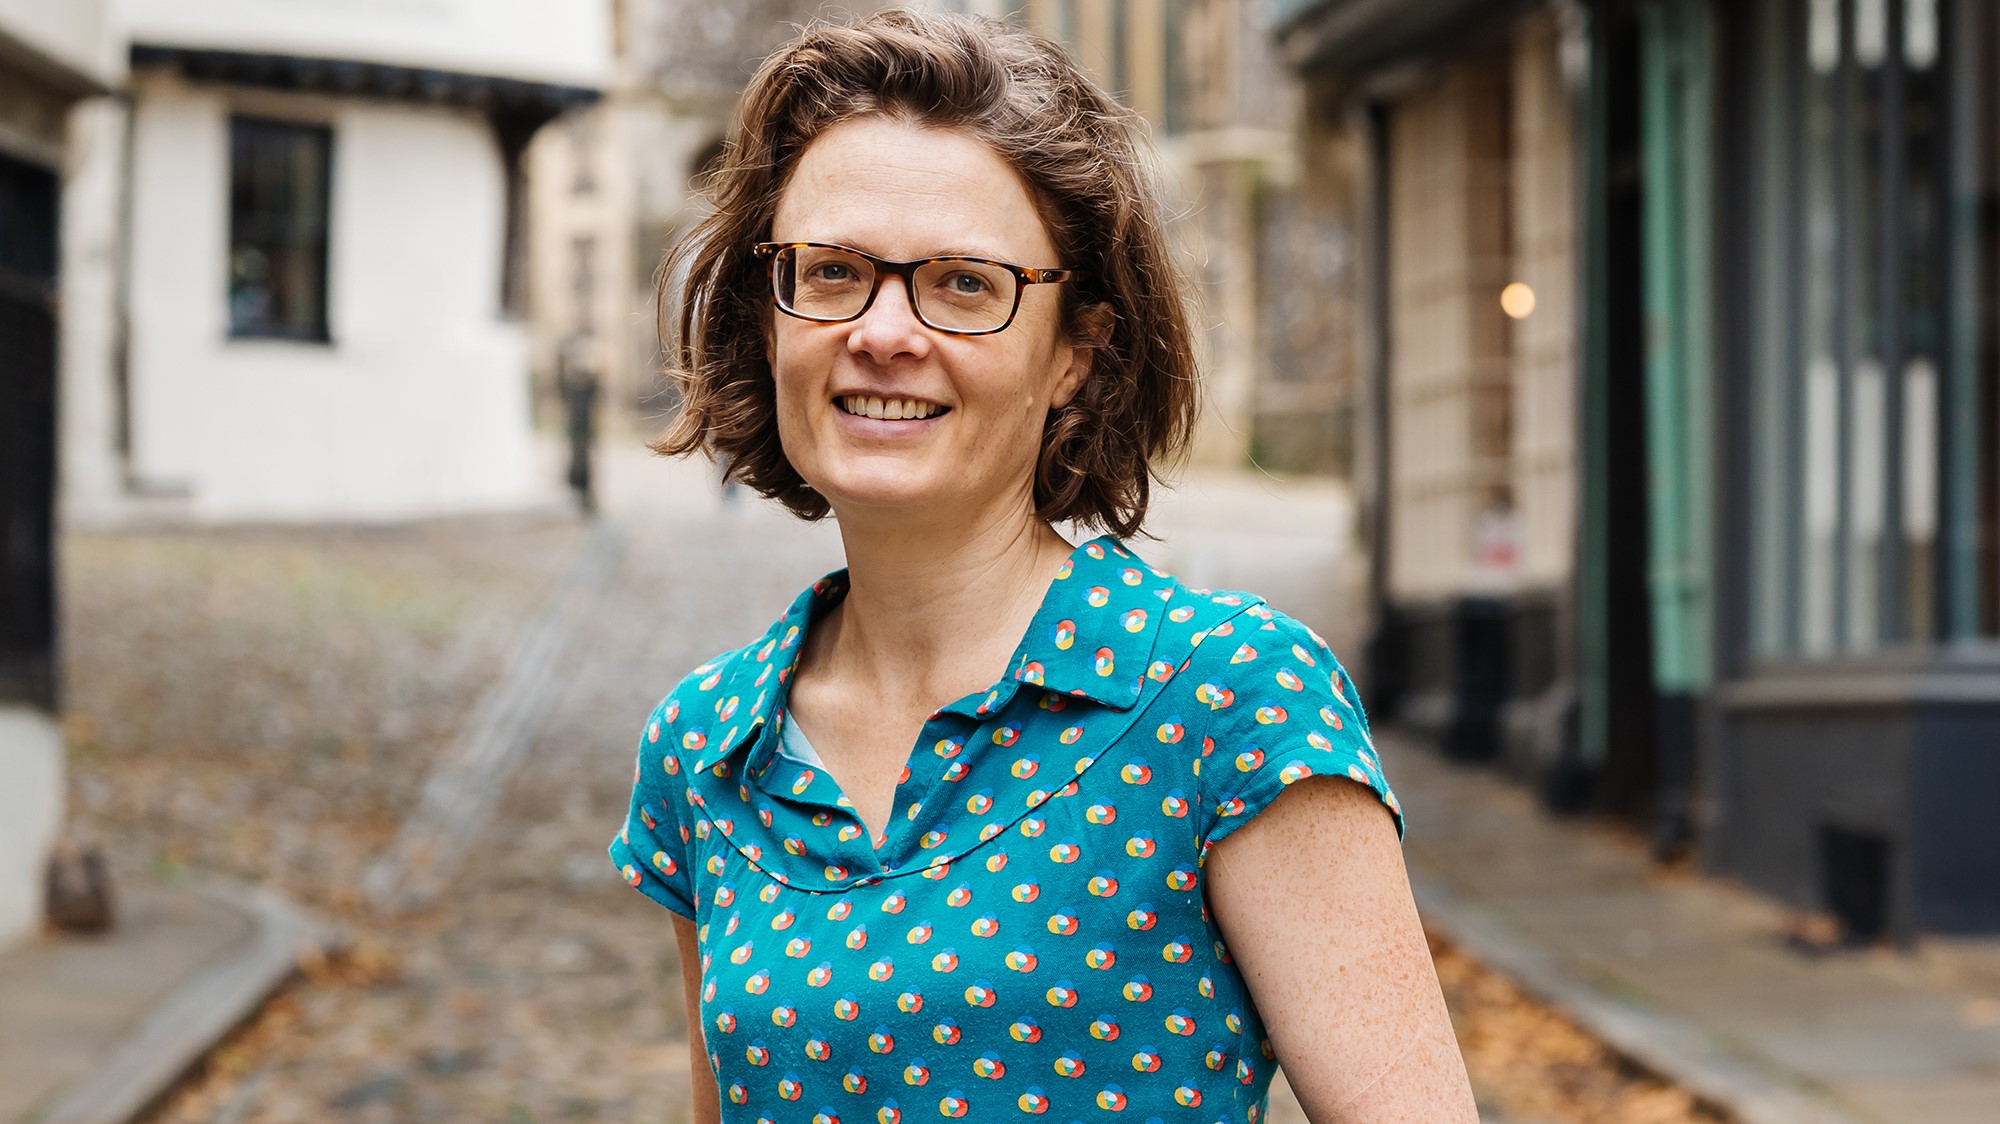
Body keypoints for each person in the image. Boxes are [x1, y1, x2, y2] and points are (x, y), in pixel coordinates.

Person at [610, 9, 1478, 1121]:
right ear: (768, 319)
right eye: (831, 271)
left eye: (964, 284)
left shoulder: (1226, 701)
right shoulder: (708, 746)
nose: (883, 332)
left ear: (1076, 351)